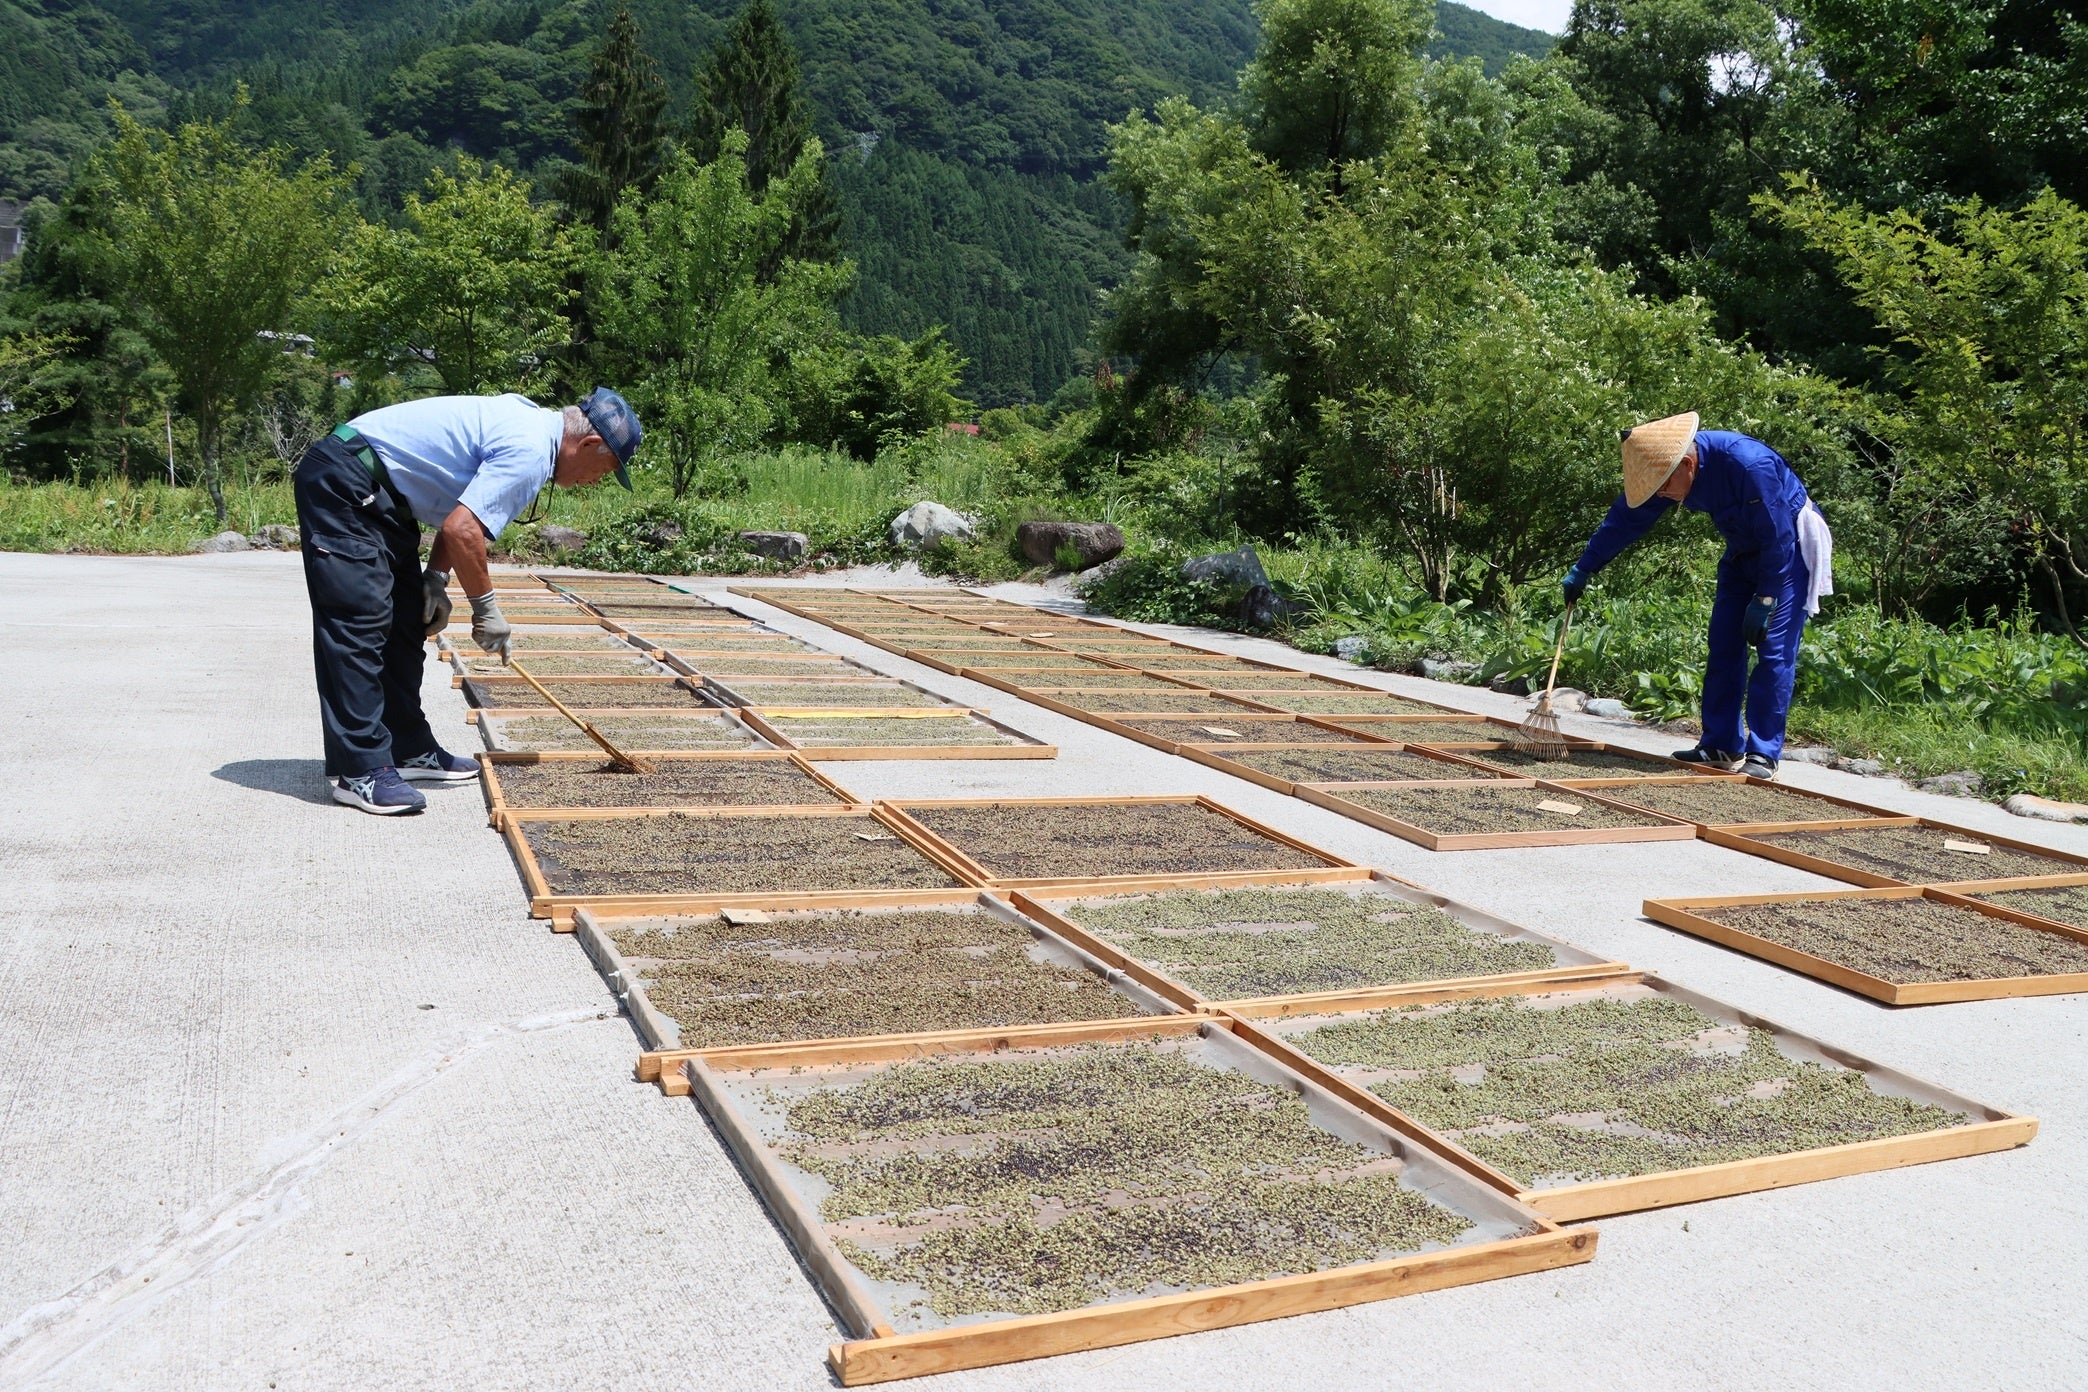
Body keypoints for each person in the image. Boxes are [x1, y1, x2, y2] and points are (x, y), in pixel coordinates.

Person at [292, 388, 641, 815]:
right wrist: (486, 608)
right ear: (587, 444)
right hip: (346, 483)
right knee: (360, 624)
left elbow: (460, 515)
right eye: (604, 469)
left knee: (405, 621)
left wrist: (435, 580)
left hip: (382, 497)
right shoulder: (532, 451)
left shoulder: (533, 430)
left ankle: (406, 747)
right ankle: (359, 770)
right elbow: (463, 531)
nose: (595, 480)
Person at [1562, 412, 1832, 783]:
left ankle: (1764, 752)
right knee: (1723, 641)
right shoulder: (1669, 468)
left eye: (1663, 488)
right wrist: (1585, 567)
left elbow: (1777, 537)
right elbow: (1627, 517)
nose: (1662, 496)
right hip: (1741, 551)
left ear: (1687, 465)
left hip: (1788, 554)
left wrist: (1767, 598)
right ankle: (1721, 744)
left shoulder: (1749, 465)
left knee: (1773, 650)